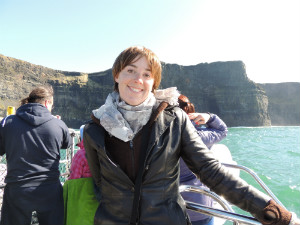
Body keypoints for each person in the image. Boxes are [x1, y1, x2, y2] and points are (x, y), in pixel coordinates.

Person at [83, 46, 299, 225]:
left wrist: (275, 213)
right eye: (130, 70)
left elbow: (211, 171)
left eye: (147, 74)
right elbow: (101, 184)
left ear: (153, 83)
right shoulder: (95, 129)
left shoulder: (174, 120)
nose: (138, 79)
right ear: (117, 75)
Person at [0, 85, 72, 225]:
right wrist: (55, 122)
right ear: (47, 103)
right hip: (49, 189)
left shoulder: (7, 123)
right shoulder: (58, 124)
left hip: (17, 190)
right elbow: (66, 144)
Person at [178, 94, 228, 225]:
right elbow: (222, 130)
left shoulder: (160, 137)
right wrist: (210, 117)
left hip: (167, 206)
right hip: (199, 207)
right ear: (191, 113)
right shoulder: (202, 137)